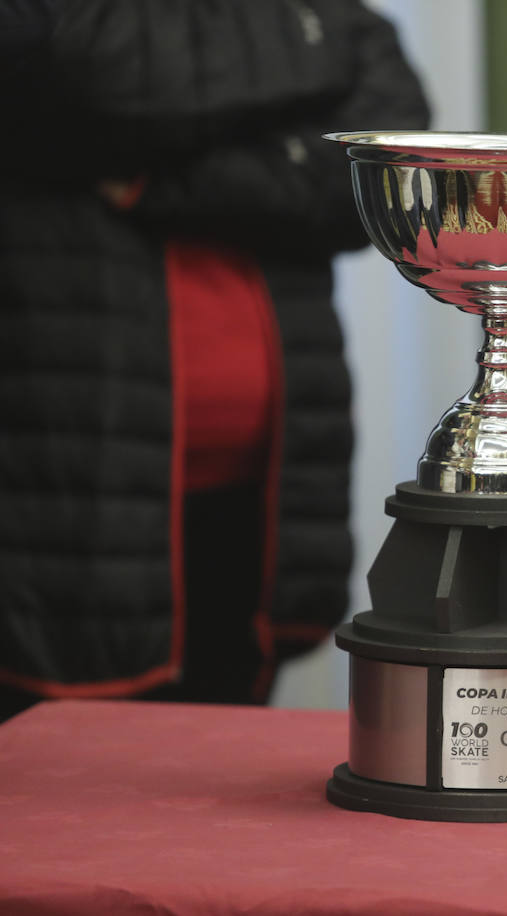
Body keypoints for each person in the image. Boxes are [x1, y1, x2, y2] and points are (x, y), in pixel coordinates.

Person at [0, 0, 430, 720]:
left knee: (209, 800)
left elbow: (386, 179)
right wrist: (280, 105)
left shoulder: (338, 17)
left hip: (264, 495)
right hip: (59, 502)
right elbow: (99, 82)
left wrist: (156, 180)